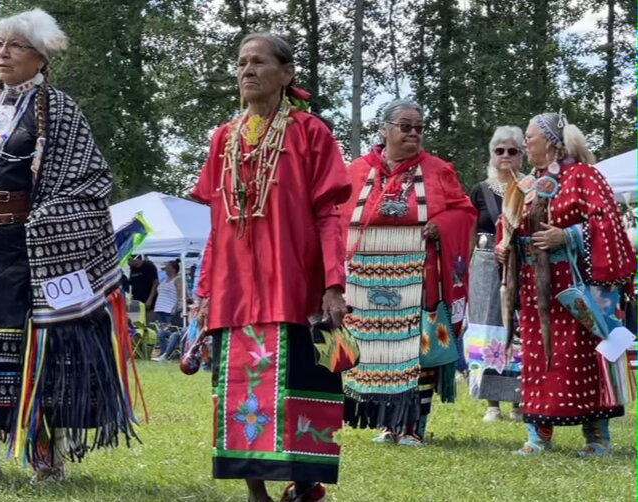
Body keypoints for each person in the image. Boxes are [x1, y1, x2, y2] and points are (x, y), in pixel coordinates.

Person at [0, 9, 140, 486]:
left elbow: (90, 180)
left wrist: (47, 219)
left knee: (46, 349)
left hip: (38, 253)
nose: (2, 54)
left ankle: (48, 458)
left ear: (41, 57)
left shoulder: (60, 110)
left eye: (15, 46)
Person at [192, 33, 351, 502]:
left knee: (304, 382)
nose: (247, 70)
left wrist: (333, 284)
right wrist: (204, 292)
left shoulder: (309, 132)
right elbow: (217, 225)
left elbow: (329, 215)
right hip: (233, 293)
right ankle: (256, 493)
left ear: (286, 74)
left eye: (259, 62)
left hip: (294, 287)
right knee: (242, 392)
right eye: (242, 62)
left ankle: (304, 486)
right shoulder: (224, 138)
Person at [496, 112, 635, 456]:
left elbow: (608, 226)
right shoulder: (527, 184)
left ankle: (597, 437)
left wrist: (568, 235)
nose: (525, 143)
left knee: (584, 358)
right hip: (533, 290)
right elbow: (511, 225)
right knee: (538, 358)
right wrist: (506, 245)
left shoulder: (584, 177)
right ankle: (537, 436)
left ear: (551, 142)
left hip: (577, 290)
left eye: (530, 137)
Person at [340, 98, 476, 446]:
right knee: (379, 351)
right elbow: (336, 217)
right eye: (406, 126)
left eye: (419, 127)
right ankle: (389, 423)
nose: (414, 133)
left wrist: (440, 225)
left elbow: (464, 212)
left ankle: (415, 425)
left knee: (419, 348)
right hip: (365, 282)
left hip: (419, 276)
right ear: (384, 130)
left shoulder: (438, 170)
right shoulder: (357, 170)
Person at [464, 126, 524, 423]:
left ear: (522, 155)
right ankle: (492, 403)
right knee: (487, 327)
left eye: (512, 150)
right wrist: (468, 268)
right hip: (486, 261)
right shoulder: (480, 190)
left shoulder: (533, 187)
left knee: (519, 326)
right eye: (499, 150)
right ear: (492, 154)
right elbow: (471, 231)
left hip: (521, 261)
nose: (505, 156)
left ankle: (517, 400)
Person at [151, 261, 183, 362]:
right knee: (161, 332)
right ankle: (163, 352)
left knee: (170, 330)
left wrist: (178, 306)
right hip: (160, 309)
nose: (165, 269)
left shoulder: (178, 280)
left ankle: (167, 353)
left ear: (173, 269)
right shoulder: (165, 280)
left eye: (167, 267)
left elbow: (181, 294)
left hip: (170, 310)